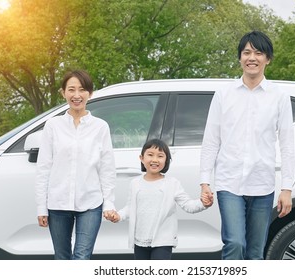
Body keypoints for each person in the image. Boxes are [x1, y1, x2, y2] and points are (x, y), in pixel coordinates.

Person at [199, 31, 295, 260]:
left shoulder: (279, 96)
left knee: (255, 252)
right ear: (240, 58)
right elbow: (211, 139)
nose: (252, 58)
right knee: (234, 243)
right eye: (247, 52)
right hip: (229, 182)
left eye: (258, 53)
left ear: (267, 59)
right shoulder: (224, 94)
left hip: (262, 184)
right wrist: (205, 181)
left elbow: (287, 145)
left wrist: (287, 189)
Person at [35, 69, 116, 260]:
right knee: (62, 257)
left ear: (90, 93)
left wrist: (109, 204)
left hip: (90, 203)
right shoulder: (53, 125)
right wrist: (41, 207)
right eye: (71, 90)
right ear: (63, 93)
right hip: (58, 203)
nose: (77, 95)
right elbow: (43, 168)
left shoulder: (100, 127)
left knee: (82, 257)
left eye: (82, 90)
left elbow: (107, 169)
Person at [105, 138, 213, 260]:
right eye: (150, 155)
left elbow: (188, 205)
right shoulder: (135, 183)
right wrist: (117, 216)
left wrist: (203, 203)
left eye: (160, 156)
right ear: (141, 158)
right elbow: (130, 208)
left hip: (163, 241)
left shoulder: (172, 183)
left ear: (166, 160)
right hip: (139, 240)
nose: (155, 160)